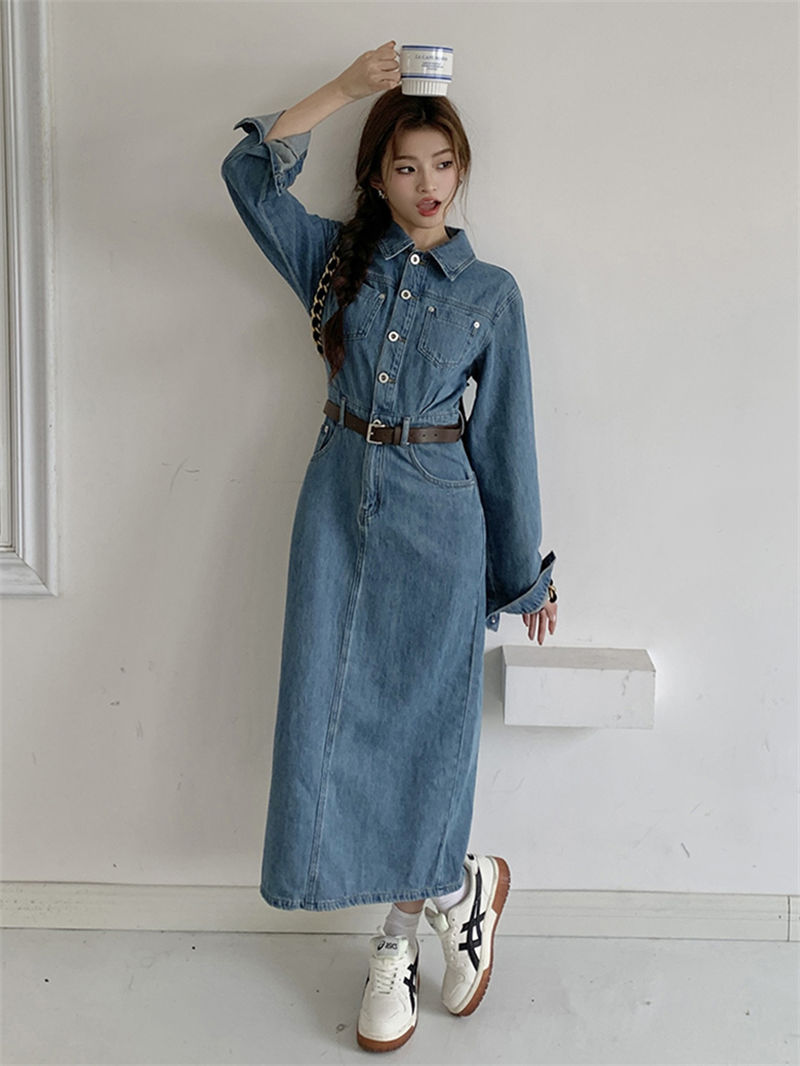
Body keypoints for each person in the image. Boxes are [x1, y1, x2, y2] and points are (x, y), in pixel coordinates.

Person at [220, 40, 558, 1053]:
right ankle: (461, 885)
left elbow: (505, 441)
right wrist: (343, 89)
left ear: (461, 171)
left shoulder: (490, 292)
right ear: (377, 176)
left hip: (439, 519)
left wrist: (522, 574)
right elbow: (245, 176)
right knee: (325, 719)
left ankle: (397, 942)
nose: (426, 184)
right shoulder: (335, 261)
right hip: (335, 503)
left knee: (424, 732)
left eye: (441, 165)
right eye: (405, 166)